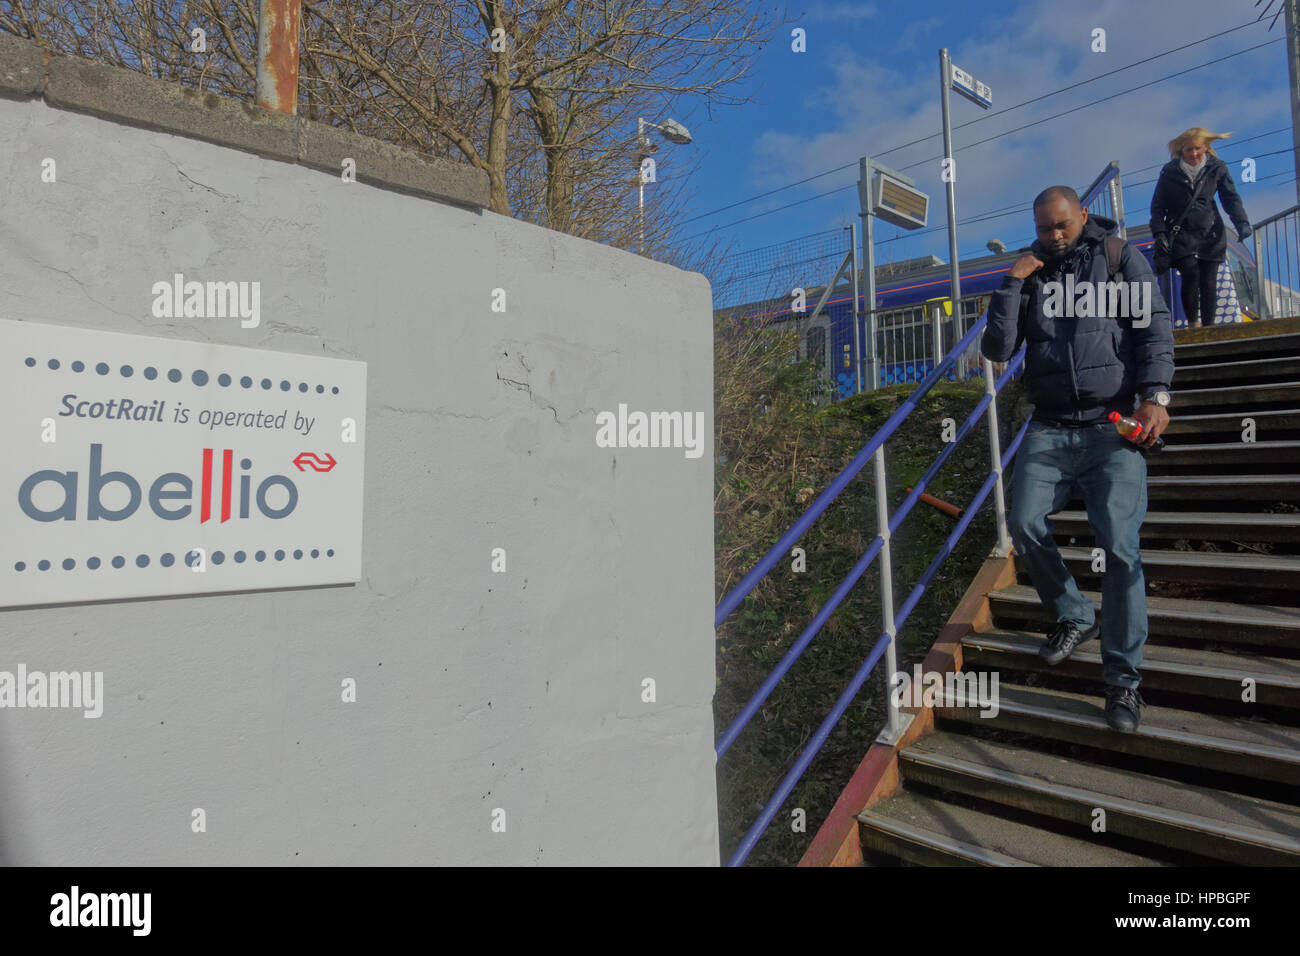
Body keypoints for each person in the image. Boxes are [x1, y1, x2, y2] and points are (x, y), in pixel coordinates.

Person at [982, 186, 1175, 733]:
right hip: (1048, 425)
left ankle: (1123, 684)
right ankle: (1073, 612)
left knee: (1119, 545)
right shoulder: (1034, 271)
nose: (1055, 236)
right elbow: (997, 351)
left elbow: (1155, 328)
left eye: (1063, 225)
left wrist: (1155, 396)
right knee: (1021, 521)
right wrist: (1013, 281)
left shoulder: (1118, 257)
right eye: (1045, 228)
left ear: (1082, 215)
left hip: (1111, 425)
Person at [1149, 127, 1252, 328]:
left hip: (1211, 231)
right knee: (1191, 275)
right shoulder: (1170, 172)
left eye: (1197, 148)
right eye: (1189, 150)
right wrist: (1159, 233)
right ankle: (1193, 323)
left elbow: (1230, 199)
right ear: (1181, 151)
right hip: (1181, 232)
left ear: (1206, 147)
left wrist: (1242, 223)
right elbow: (1157, 206)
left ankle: (1208, 326)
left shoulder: (1217, 168)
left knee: (1209, 281)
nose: (1194, 154)